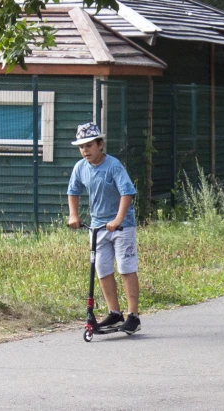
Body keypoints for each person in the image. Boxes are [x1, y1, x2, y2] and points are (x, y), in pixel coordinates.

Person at [67, 122, 141, 334]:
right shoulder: (80, 167)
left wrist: (118, 219)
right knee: (102, 269)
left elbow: (127, 192)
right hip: (97, 226)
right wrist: (74, 215)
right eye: (81, 147)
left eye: (89, 145)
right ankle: (114, 312)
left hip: (121, 227)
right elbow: (73, 191)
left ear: (100, 144)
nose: (84, 151)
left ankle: (133, 315)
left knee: (126, 268)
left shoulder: (113, 165)